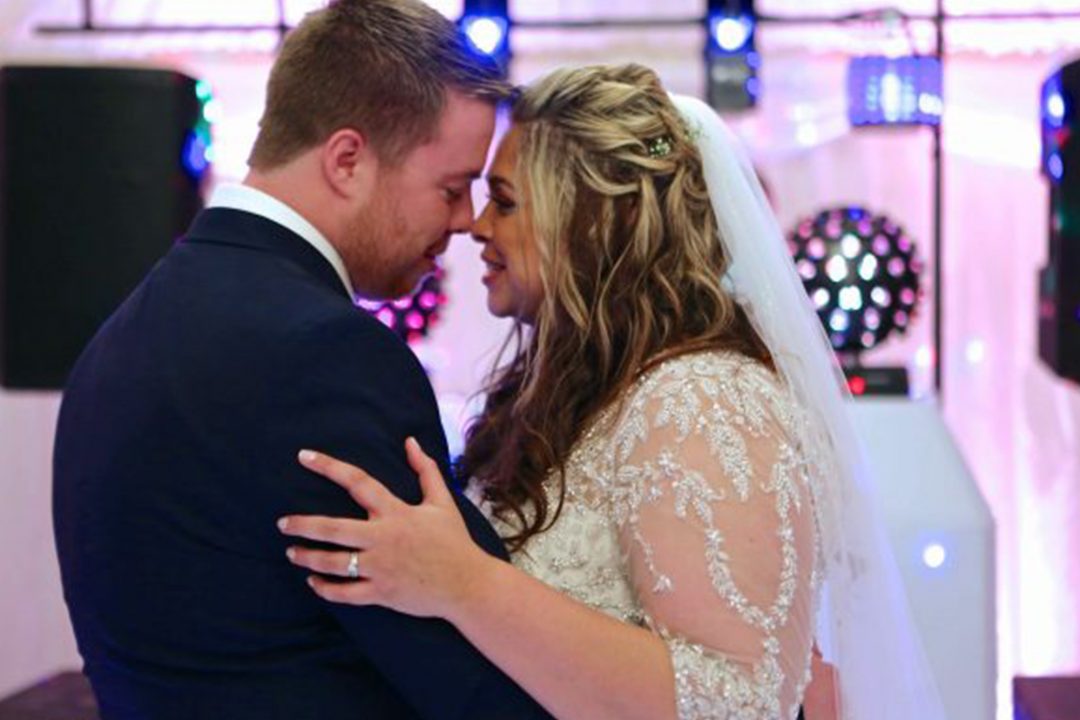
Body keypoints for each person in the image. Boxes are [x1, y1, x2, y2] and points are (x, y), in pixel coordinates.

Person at [278, 65, 947, 719]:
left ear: (593, 222)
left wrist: (465, 584)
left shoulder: (704, 400)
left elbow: (740, 702)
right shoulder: (571, 394)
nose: (478, 228)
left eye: (506, 202)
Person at [52, 1, 553, 718]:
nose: (465, 220)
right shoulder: (328, 356)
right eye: (451, 187)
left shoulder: (120, 336)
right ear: (348, 159)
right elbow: (475, 680)